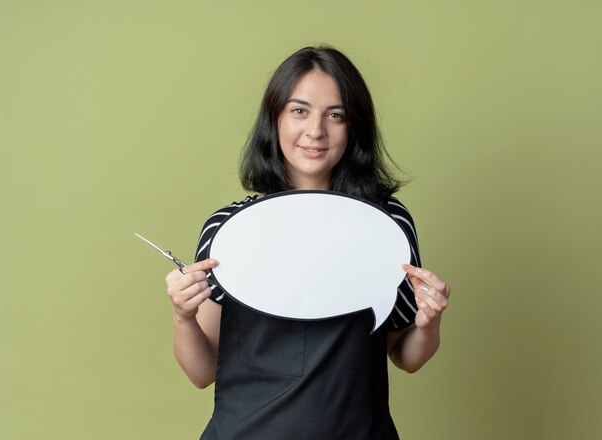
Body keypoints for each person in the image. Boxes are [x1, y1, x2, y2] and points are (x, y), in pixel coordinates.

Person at [165, 46, 451, 440]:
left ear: (354, 127)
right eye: (299, 111)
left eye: (335, 115)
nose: (315, 131)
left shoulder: (387, 224)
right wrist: (182, 316)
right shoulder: (229, 228)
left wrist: (429, 323)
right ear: (275, 118)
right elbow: (201, 373)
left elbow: (405, 356)